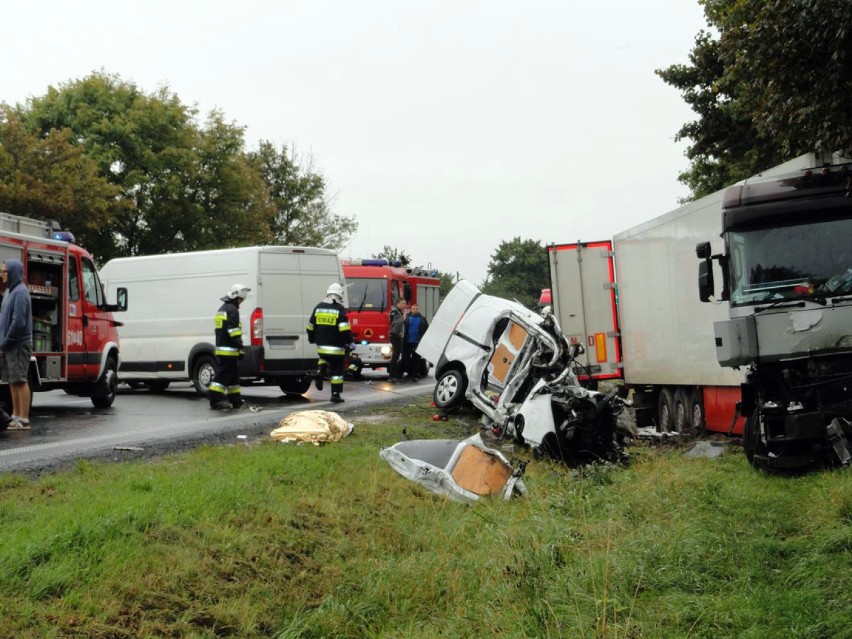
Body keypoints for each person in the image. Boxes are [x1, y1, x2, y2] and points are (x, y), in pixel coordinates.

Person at [0, 259, 33, 430]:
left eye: (5, 271)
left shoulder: (20, 292)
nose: (2, 274)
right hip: (9, 344)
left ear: (13, 272)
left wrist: (5, 343)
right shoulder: (8, 292)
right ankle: (15, 415)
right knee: (12, 380)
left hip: (18, 344)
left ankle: (24, 419)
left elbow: (18, 323)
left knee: (20, 380)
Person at [307, 283, 351, 403]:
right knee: (337, 371)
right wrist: (350, 342)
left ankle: (320, 370)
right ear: (339, 295)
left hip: (321, 346)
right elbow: (344, 329)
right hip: (336, 347)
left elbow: (310, 326)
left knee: (324, 358)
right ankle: (335, 395)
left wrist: (311, 339)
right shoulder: (339, 309)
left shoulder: (318, 307)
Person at [209, 283, 251, 410]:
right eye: (241, 299)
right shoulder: (232, 310)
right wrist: (240, 347)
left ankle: (236, 400)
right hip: (229, 350)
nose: (242, 302)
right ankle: (215, 400)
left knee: (233, 378)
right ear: (236, 297)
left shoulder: (223, 309)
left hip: (223, 348)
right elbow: (234, 331)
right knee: (222, 376)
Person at [401, 303, 429, 380]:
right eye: (414, 309)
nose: (415, 310)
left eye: (416, 309)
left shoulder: (422, 319)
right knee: (405, 358)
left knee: (416, 359)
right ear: (411, 309)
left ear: (418, 310)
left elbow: (426, 329)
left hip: (417, 342)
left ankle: (415, 375)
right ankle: (404, 374)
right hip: (407, 342)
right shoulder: (407, 318)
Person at [387, 298, 406, 381]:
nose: (404, 305)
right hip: (395, 336)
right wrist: (403, 317)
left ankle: (395, 374)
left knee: (397, 356)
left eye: (404, 303)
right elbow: (397, 323)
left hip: (398, 336)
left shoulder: (399, 312)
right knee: (395, 356)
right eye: (402, 303)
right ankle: (392, 375)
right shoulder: (395, 312)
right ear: (397, 303)